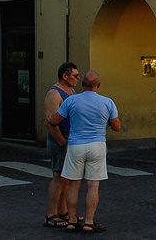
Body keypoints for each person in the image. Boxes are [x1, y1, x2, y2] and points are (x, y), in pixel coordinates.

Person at [48, 70, 122, 233]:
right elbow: (117, 127)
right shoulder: (107, 102)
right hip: (97, 145)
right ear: (98, 85)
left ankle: (72, 220)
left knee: (73, 185)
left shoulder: (72, 100)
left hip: (75, 145)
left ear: (82, 85)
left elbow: (54, 120)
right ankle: (89, 222)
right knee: (93, 185)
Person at [42, 62, 78, 228]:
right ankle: (51, 213)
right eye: (75, 76)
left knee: (66, 179)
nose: (77, 79)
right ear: (65, 76)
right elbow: (50, 122)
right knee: (58, 177)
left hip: (69, 139)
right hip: (60, 140)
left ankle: (63, 211)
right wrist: (61, 141)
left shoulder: (71, 91)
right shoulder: (54, 94)